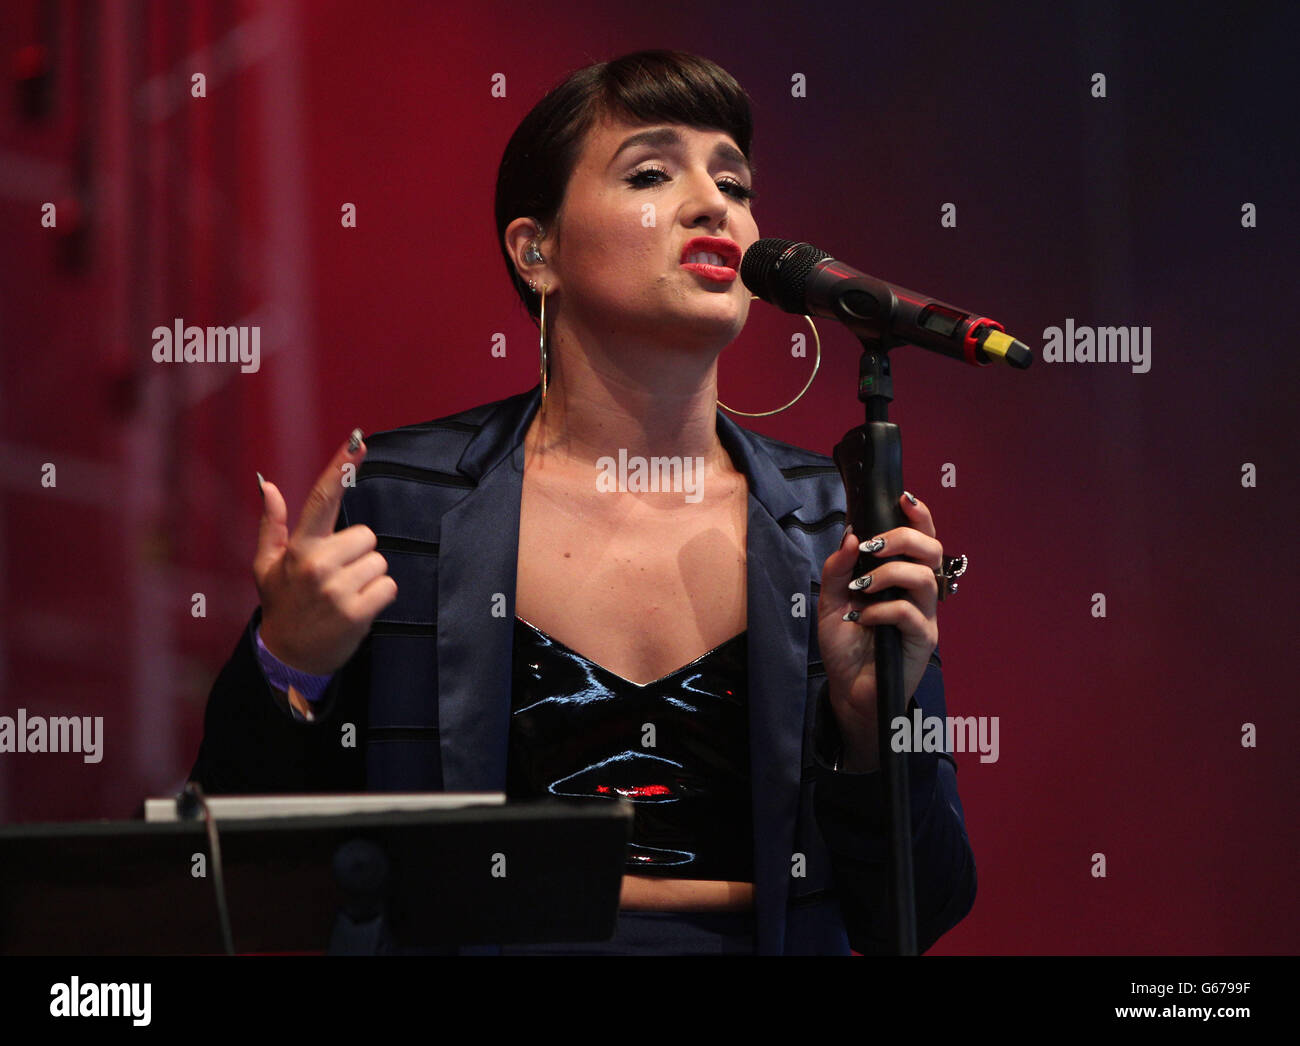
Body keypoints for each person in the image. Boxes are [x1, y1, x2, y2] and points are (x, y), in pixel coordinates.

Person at [190, 49, 976, 955]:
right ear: (537, 252)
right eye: (651, 172)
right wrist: (290, 667)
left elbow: (924, 907)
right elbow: (227, 866)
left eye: (734, 180)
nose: (713, 202)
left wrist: (874, 729)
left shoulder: (830, 528)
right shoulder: (404, 504)